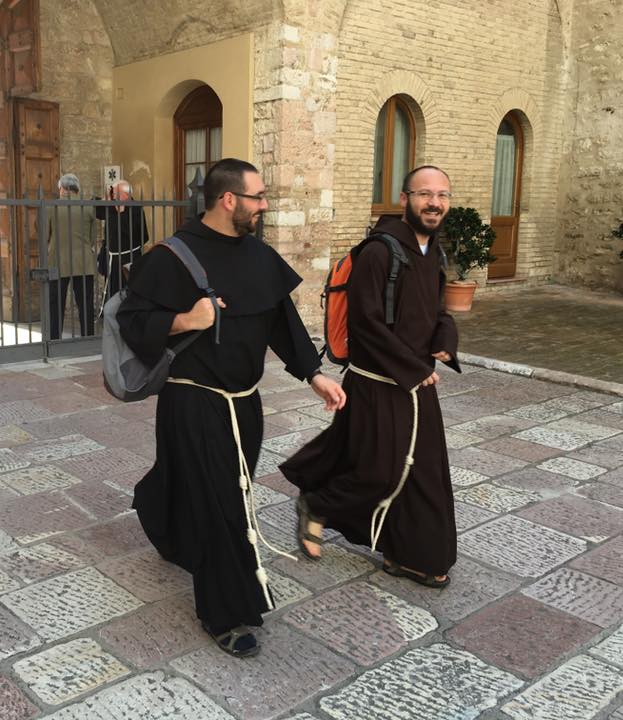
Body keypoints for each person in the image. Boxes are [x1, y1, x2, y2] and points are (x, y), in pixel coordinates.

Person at [117, 158, 346, 659]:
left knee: (218, 491)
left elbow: (282, 321)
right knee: (223, 503)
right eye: (258, 197)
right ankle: (225, 612)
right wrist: (184, 318)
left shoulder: (257, 256)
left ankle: (158, 512)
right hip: (193, 402)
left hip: (245, 404)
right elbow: (132, 324)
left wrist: (315, 374)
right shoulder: (171, 257)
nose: (265, 206)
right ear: (228, 200)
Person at [280, 165, 460, 588]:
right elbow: (366, 325)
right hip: (380, 382)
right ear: (404, 199)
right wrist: (414, 370)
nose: (434, 203)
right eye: (424, 194)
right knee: (379, 469)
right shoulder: (380, 251)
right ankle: (317, 504)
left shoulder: (431, 250)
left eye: (442, 195)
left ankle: (412, 555)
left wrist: (444, 339)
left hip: (416, 384)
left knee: (425, 472)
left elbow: (439, 311)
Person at [47, 173, 96, 338]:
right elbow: (93, 237)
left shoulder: (51, 206)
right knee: (85, 304)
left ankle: (54, 338)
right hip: (83, 262)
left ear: (61, 188)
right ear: (77, 188)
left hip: (57, 261)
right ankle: (87, 336)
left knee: (56, 304)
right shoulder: (88, 207)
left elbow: (44, 233)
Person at [95, 180, 147, 300]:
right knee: (113, 293)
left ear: (125, 195)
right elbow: (95, 208)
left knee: (129, 292)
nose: (113, 195)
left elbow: (142, 236)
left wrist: (121, 213)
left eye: (115, 192)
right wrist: (107, 198)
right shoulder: (112, 206)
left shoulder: (136, 209)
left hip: (130, 259)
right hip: (113, 261)